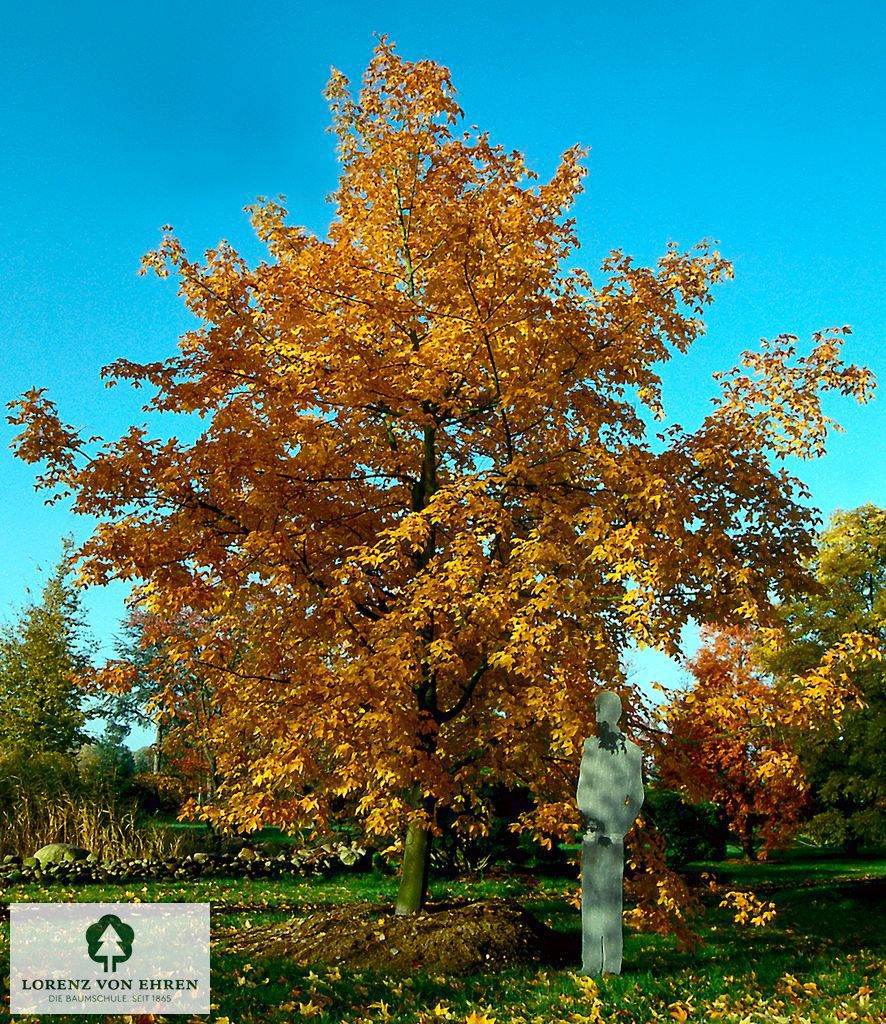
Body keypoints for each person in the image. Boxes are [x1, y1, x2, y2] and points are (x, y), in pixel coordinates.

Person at [576, 690, 644, 975]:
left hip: (614, 836)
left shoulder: (632, 751)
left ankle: (611, 966)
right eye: (595, 710)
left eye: (599, 710)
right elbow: (583, 787)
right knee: (590, 898)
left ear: (612, 712)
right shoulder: (590, 746)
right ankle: (590, 964)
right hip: (592, 833)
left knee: (611, 899)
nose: (596, 716)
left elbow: (636, 796)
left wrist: (620, 826)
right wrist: (590, 817)